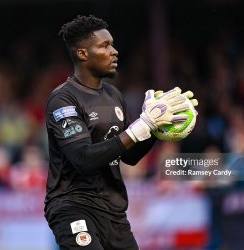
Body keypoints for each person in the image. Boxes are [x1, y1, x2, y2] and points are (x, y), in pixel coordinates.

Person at [44, 15, 197, 250]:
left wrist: (155, 128)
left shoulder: (113, 95)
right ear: (82, 54)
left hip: (113, 211)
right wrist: (140, 127)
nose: (114, 51)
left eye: (112, 44)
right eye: (104, 45)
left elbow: (129, 155)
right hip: (73, 207)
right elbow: (82, 159)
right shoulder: (63, 99)